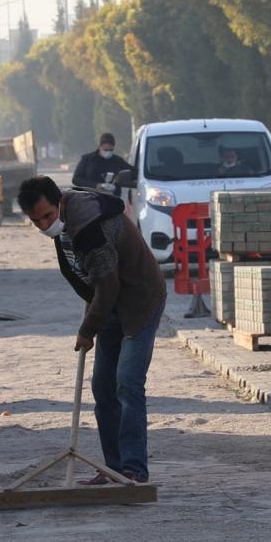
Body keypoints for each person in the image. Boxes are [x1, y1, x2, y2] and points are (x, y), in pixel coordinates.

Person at [19, 173, 167, 484]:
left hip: (140, 302)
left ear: (59, 202)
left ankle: (134, 470)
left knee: (127, 383)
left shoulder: (90, 227)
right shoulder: (64, 228)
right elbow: (93, 283)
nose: (45, 225)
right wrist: (94, 318)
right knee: (102, 386)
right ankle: (114, 468)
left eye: (47, 216)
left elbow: (108, 287)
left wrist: (87, 329)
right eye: (37, 222)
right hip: (108, 304)